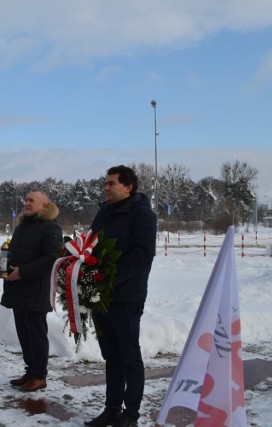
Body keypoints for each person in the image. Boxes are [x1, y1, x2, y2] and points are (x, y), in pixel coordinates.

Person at [85, 165, 157, 427]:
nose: (106, 187)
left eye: (112, 183)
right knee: (111, 356)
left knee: (129, 356)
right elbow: (89, 245)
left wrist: (107, 279)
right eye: (105, 183)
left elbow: (142, 255)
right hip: (101, 296)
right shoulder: (104, 212)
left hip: (127, 296)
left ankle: (131, 413)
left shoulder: (142, 215)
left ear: (128, 187)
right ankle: (112, 408)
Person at [0, 189, 63, 392]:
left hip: (35, 289)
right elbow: (16, 251)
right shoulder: (22, 227)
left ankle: (40, 375)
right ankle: (30, 371)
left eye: (31, 201)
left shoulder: (51, 228)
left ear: (44, 206)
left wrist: (23, 272)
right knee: (24, 333)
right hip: (17, 288)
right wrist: (3, 261)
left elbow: (50, 259)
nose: (26, 203)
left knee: (36, 334)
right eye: (25, 200)